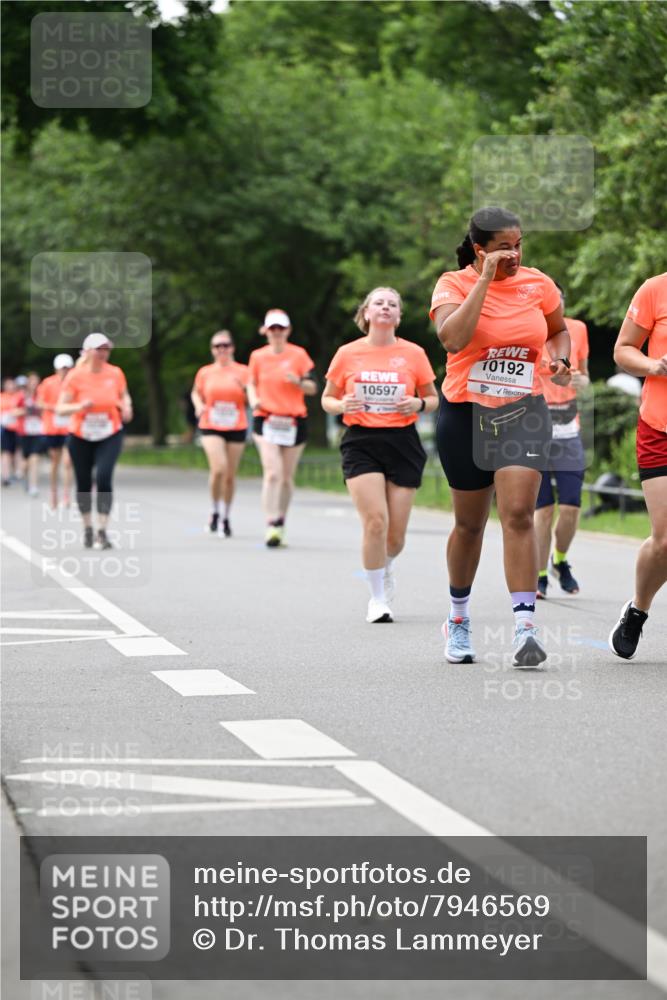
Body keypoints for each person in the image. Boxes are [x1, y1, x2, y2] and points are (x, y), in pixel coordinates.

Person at [430, 206, 571, 667]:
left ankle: (525, 628)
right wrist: (486, 280)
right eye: (504, 247)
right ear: (480, 249)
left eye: (519, 244)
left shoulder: (538, 283)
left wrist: (561, 359)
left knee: (518, 515)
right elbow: (453, 339)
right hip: (466, 414)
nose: (515, 254)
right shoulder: (453, 284)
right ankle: (458, 618)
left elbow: (558, 330)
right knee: (470, 524)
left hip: (523, 411)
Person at [322, 287, 438, 622]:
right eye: (379, 303)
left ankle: (385, 566)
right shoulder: (347, 353)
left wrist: (417, 403)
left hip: (403, 442)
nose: (385, 307)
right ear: (367, 313)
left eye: (392, 304)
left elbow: (433, 399)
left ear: (398, 316)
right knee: (375, 522)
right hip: (361, 440)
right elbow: (327, 399)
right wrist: (342, 405)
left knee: (395, 537)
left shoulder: (413, 353)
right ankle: (377, 598)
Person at [609, 272, 667, 659]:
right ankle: (637, 610)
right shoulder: (656, 289)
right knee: (665, 538)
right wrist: (654, 365)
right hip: (660, 428)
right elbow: (623, 350)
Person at [534, 287, 590, 598]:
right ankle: (540, 574)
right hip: (534, 431)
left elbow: (585, 377)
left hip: (568, 429)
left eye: (557, 299)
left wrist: (581, 381)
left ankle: (560, 559)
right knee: (542, 510)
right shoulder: (527, 330)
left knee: (570, 507)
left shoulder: (577, 329)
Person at [56, 333, 133, 549]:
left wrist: (127, 406)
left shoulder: (115, 373)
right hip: (80, 435)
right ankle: (88, 527)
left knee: (103, 476)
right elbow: (61, 408)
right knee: (83, 482)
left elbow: (124, 395)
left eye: (106, 349)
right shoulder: (75, 376)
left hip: (110, 432)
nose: (103, 353)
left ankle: (102, 531)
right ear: (87, 351)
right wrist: (79, 407)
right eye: (99, 349)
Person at [247, 309, 317, 547]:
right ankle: (270, 524)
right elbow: (251, 383)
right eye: (272, 328)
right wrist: (254, 400)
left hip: (293, 421)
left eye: (280, 328)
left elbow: (313, 388)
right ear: (266, 331)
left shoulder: (299, 355)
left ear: (288, 331)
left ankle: (281, 522)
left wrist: (298, 382)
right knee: (273, 473)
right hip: (266, 418)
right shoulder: (258, 356)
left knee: (286, 478)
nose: (276, 332)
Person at [191, 330, 249, 537]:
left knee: (230, 476)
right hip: (211, 424)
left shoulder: (243, 371)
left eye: (225, 345)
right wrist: (199, 406)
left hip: (236, 425)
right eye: (217, 346)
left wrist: (246, 392)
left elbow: (250, 397)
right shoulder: (205, 372)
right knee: (219, 469)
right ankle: (214, 509)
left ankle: (225, 516)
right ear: (212, 350)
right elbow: (195, 393)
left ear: (232, 348)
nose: (222, 349)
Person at [36, 354, 75, 508]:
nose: (64, 371)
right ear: (56, 369)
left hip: (69, 428)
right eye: (62, 368)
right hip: (52, 428)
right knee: (55, 462)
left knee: (68, 462)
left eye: (67, 368)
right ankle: (54, 493)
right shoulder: (47, 383)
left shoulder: (74, 383)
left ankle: (66, 495)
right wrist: (55, 408)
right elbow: (39, 403)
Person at [17, 372, 47, 497]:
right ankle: (24, 477)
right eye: (32, 382)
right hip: (25, 432)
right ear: (28, 383)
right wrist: (26, 410)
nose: (34, 384)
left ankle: (34, 486)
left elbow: (47, 411)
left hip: (38, 432)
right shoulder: (22, 396)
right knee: (26, 461)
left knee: (34, 458)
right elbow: (13, 411)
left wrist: (41, 409)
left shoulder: (42, 396)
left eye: (36, 382)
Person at [1, 377, 21, 486]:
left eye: (12, 384)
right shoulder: (2, 397)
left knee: (17, 452)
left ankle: (16, 472)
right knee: (6, 452)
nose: (11, 387)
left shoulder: (19, 396)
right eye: (8, 384)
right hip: (5, 429)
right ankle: (6, 476)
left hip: (18, 429)